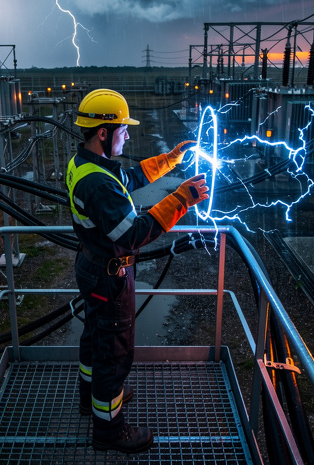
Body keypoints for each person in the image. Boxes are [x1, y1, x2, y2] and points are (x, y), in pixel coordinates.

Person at [66, 88, 209, 453]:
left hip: (93, 265)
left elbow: (127, 179)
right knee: (113, 353)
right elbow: (133, 234)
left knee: (96, 339)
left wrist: (169, 161)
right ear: (103, 133)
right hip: (108, 275)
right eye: (123, 130)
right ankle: (110, 431)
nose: (127, 135)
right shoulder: (96, 183)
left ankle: (91, 399)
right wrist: (180, 200)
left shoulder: (87, 165)